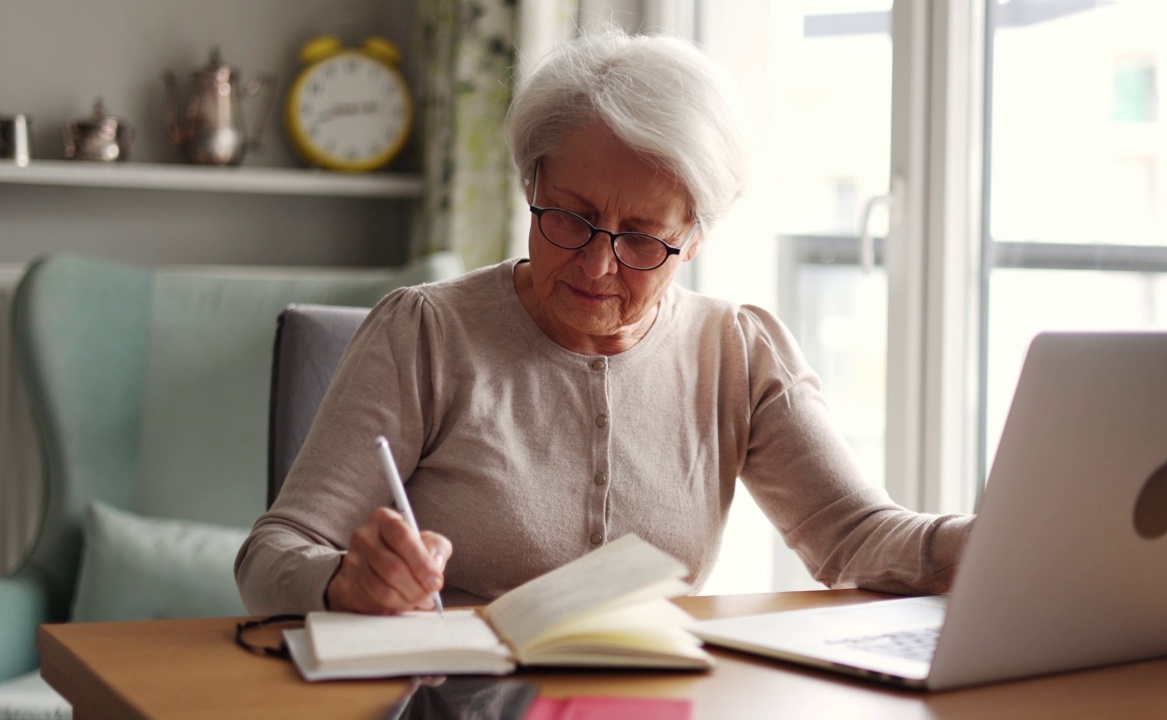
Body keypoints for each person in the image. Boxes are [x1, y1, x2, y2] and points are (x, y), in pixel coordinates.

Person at [235, 28, 973, 616]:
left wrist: (992, 545)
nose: (595, 268)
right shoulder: (425, 333)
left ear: (696, 234)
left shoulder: (739, 353)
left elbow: (858, 539)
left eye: (644, 239)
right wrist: (343, 583)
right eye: (569, 218)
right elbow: (272, 555)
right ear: (533, 184)